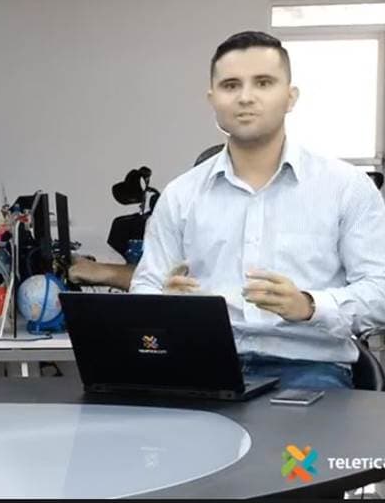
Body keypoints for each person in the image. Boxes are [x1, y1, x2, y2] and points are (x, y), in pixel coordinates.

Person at [131, 31, 385, 389]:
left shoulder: (346, 187)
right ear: (212, 99)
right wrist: (162, 307)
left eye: (263, 83)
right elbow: (145, 287)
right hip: (201, 363)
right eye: (230, 85)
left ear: (290, 97)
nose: (246, 97)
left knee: (295, 430)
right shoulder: (180, 195)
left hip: (308, 368)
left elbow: (379, 290)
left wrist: (310, 306)